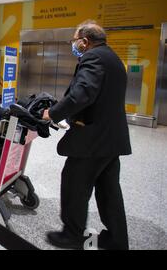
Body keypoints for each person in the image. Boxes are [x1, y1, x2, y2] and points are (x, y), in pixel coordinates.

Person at [42, 20, 132, 250]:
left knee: (75, 183)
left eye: (75, 40)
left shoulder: (93, 58)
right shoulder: (113, 58)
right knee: (109, 189)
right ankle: (117, 238)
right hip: (111, 137)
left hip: (93, 137)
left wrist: (52, 113)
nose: (74, 45)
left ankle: (72, 235)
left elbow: (82, 94)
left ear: (85, 41)